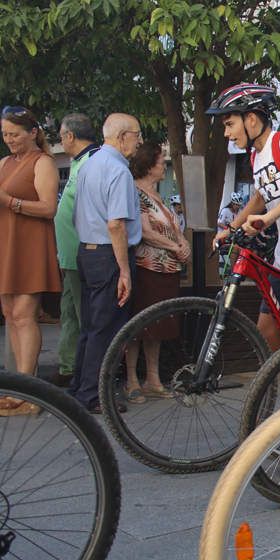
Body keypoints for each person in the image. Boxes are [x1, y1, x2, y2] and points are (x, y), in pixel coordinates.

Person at [209, 83, 280, 410]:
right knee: (268, 331)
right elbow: (260, 195)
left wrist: (268, 217)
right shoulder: (257, 155)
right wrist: (230, 227)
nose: (227, 133)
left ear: (252, 120)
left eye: (230, 124)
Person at [70, 113, 143, 414]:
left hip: (87, 251)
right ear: (124, 136)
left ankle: (80, 387)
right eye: (137, 135)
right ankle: (93, 394)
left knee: (91, 326)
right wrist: (124, 269)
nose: (140, 141)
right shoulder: (118, 170)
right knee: (107, 328)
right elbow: (116, 224)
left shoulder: (89, 165)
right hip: (108, 253)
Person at [0, 106, 61, 415]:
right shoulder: (5, 163)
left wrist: (10, 202)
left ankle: (29, 393)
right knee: (11, 315)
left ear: (32, 132)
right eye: (5, 134)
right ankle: (19, 390)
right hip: (7, 244)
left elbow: (49, 208)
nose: (9, 140)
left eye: (14, 134)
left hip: (30, 246)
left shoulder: (44, 162)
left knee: (25, 316)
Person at [122, 143, 189, 404]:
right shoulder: (136, 193)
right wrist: (176, 246)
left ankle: (153, 377)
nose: (164, 166)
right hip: (147, 266)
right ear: (150, 165)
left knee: (158, 325)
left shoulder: (159, 195)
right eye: (161, 162)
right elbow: (145, 231)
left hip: (167, 268)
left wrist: (182, 244)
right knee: (139, 324)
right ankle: (131, 380)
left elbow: (172, 226)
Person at [52, 113, 100, 388]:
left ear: (70, 136)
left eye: (61, 136)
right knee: (68, 311)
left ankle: (87, 376)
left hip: (83, 253)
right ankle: (68, 365)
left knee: (84, 316)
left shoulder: (92, 162)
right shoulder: (77, 162)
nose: (61, 140)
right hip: (68, 254)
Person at [216, 192, 243, 275]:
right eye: (236, 205)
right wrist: (228, 229)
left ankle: (239, 269)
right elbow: (219, 223)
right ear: (232, 204)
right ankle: (233, 271)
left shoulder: (239, 212)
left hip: (234, 237)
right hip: (224, 239)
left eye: (239, 205)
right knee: (234, 249)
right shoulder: (225, 211)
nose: (238, 207)